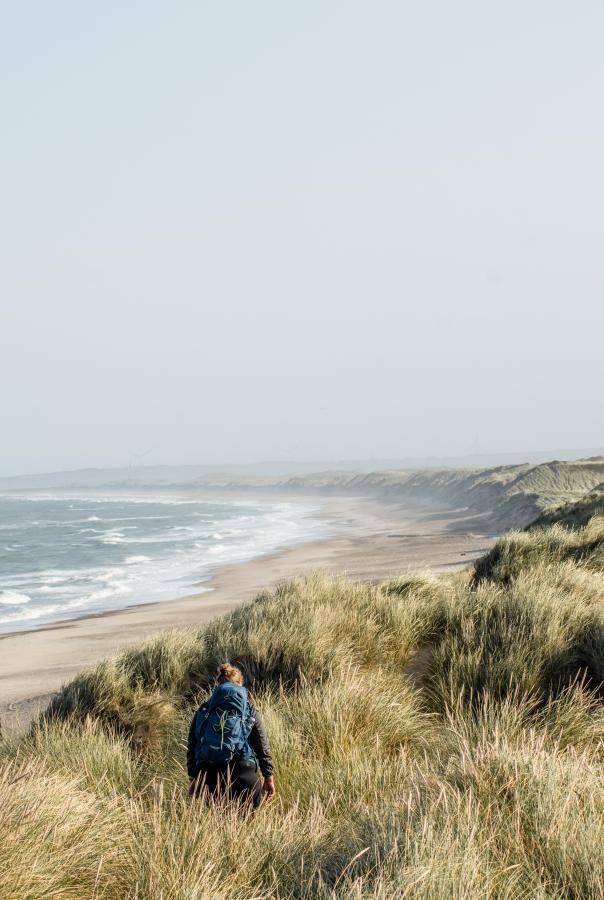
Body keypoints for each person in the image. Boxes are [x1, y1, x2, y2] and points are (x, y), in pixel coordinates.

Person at [187, 662, 275, 809]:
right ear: (240, 685)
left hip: (209, 777)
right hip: (245, 774)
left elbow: (192, 747)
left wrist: (193, 778)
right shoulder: (250, 710)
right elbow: (262, 746)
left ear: (217, 686)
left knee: (217, 828)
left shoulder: (203, 711)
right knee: (249, 828)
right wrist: (268, 776)